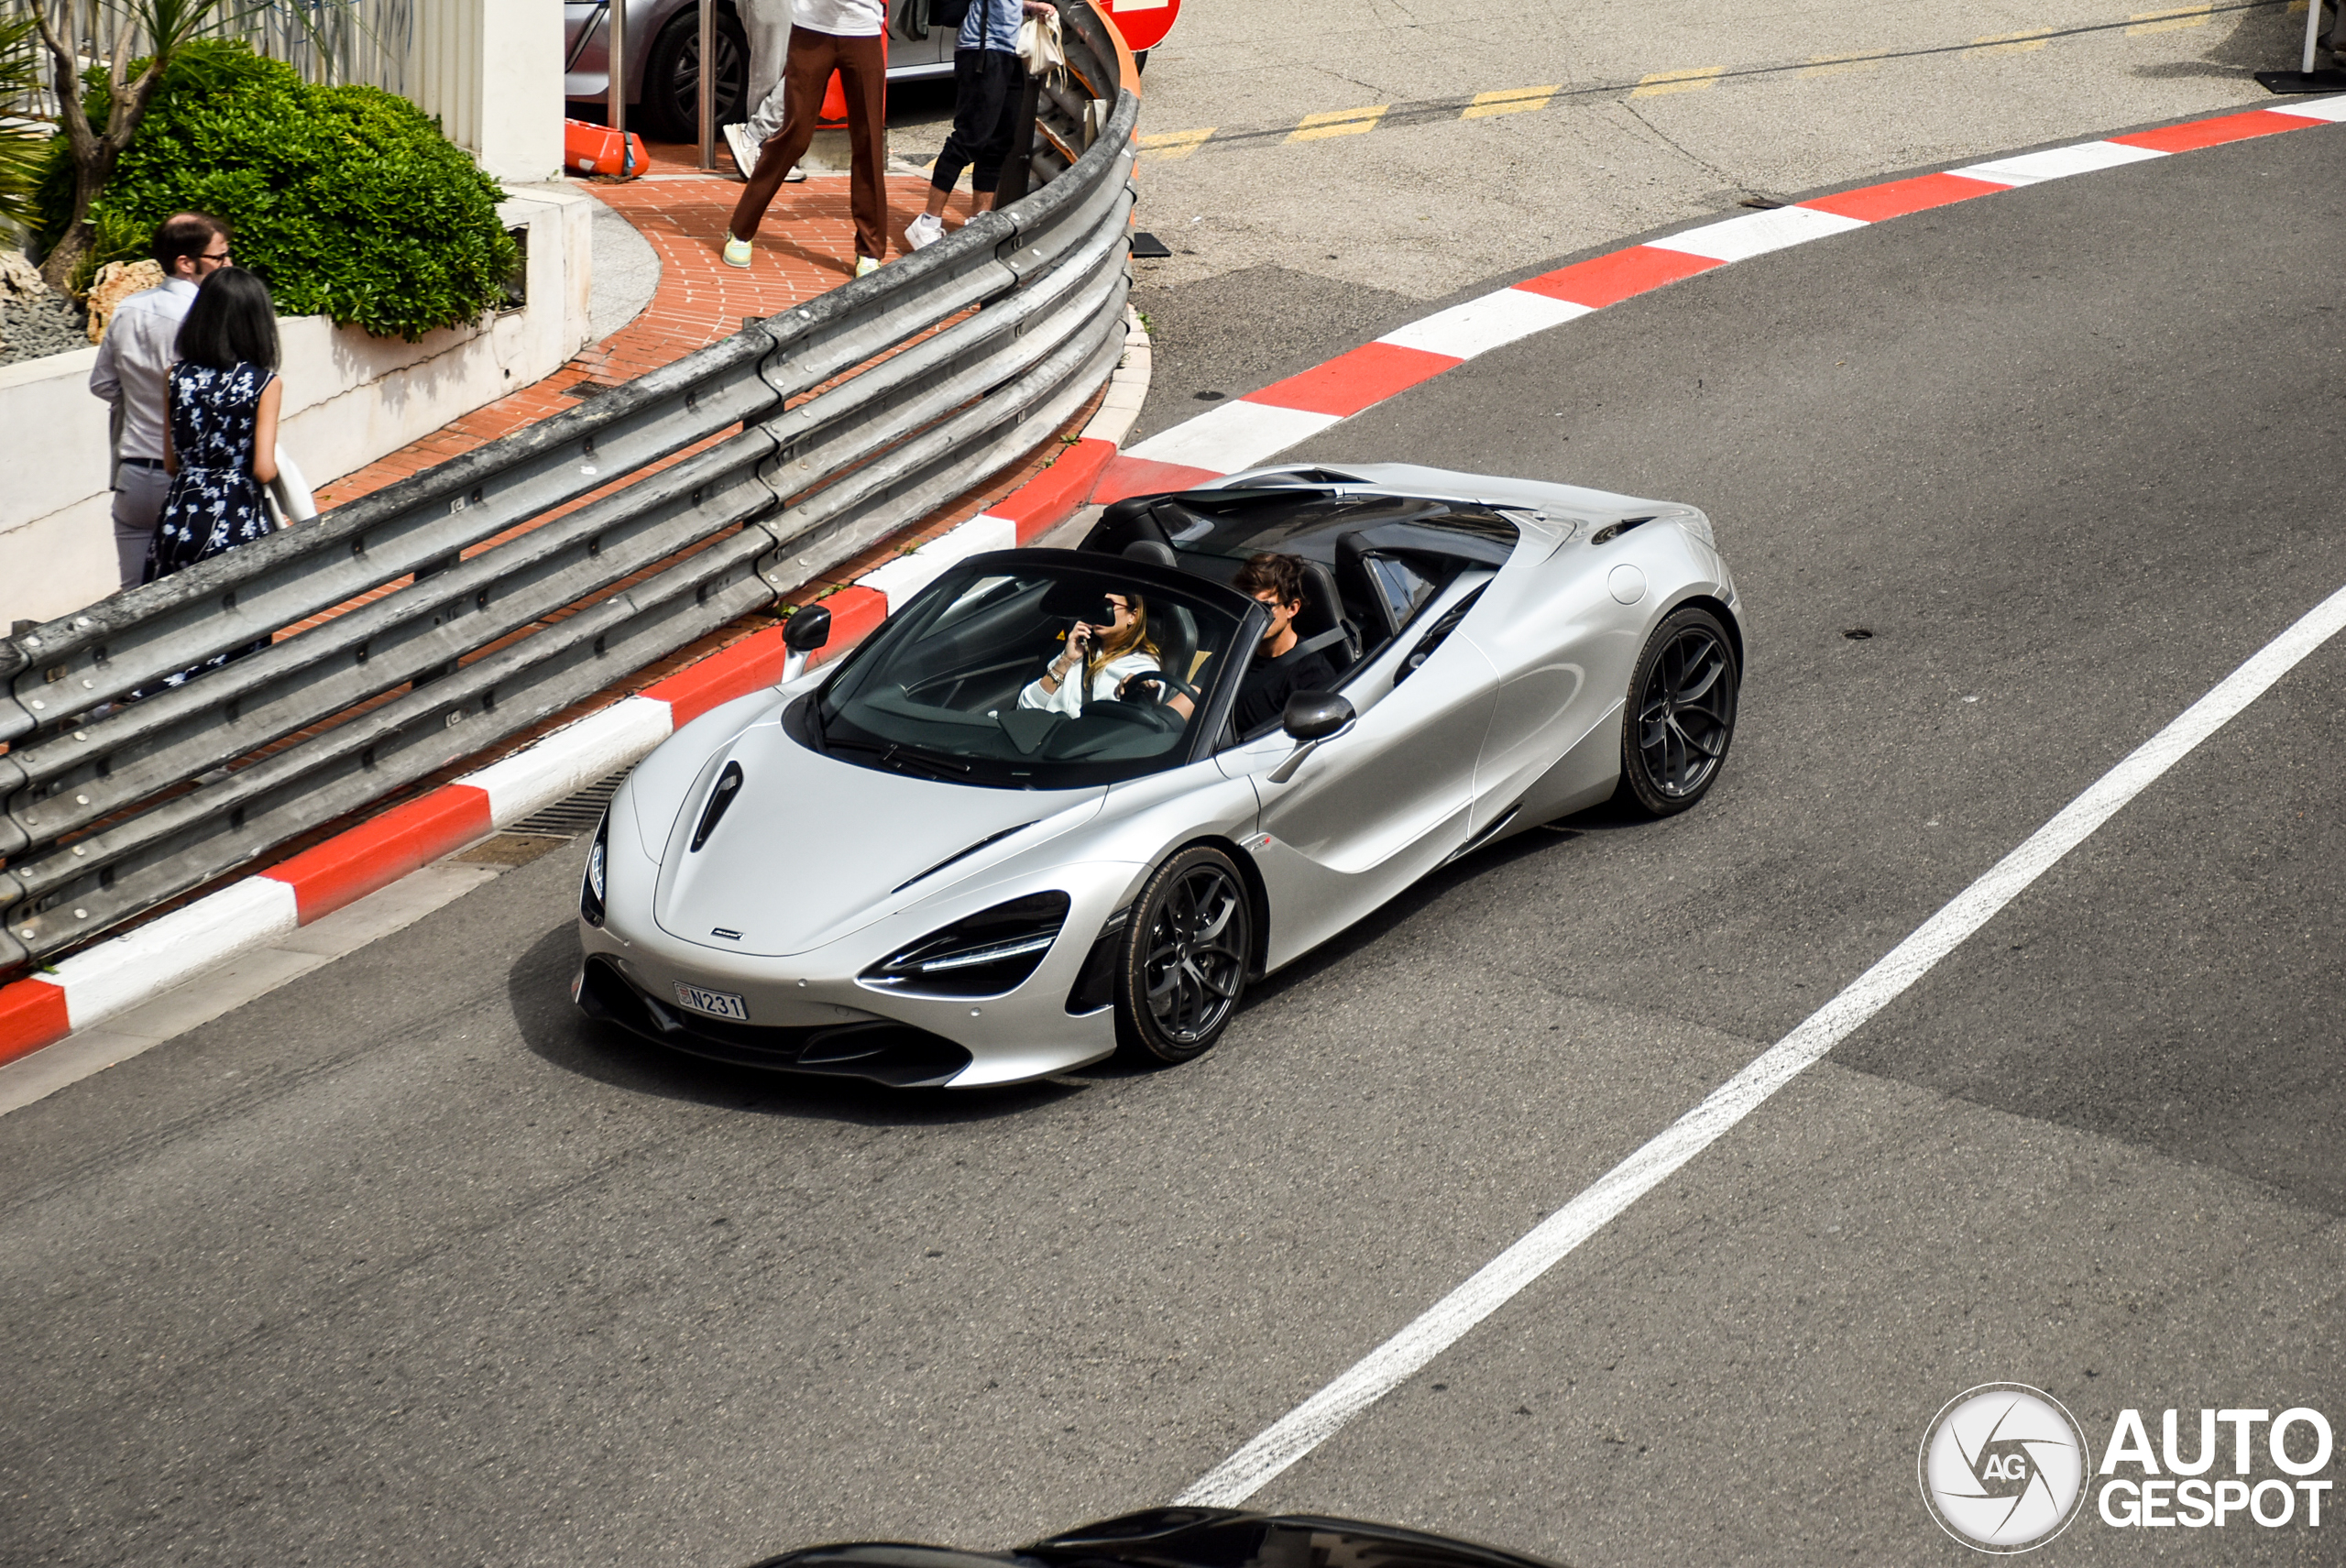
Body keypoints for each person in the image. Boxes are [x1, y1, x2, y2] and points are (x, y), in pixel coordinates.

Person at [88, 212, 232, 590]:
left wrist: (143, 400)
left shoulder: (129, 308)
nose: (228, 264)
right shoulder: (207, 317)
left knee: (133, 595)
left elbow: (102, 384)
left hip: (134, 473)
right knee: (195, 594)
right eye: (220, 257)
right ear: (186, 263)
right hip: (191, 476)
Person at [724, 0, 889, 279]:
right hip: (811, 29)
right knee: (794, 135)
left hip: (863, 30)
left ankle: (870, 249)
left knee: (868, 139)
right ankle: (741, 228)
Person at [903, 0, 1057, 251]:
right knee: (968, 139)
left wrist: (1028, 7)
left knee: (1000, 141)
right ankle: (927, 222)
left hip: (1009, 51)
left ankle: (978, 220)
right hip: (981, 51)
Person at [1230, 553, 1341, 736]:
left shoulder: (1312, 675)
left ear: (1292, 609)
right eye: (1248, 605)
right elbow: (1192, 697)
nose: (1254, 616)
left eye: (1265, 607)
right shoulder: (1233, 654)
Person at [1020, 588, 1160, 714]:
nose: (1099, 610)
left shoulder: (1142, 665)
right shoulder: (1077, 650)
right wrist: (1065, 661)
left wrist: (1141, 689)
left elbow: (1151, 689)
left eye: (1108, 604)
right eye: (1097, 603)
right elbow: (1027, 706)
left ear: (1133, 616)